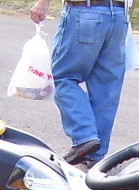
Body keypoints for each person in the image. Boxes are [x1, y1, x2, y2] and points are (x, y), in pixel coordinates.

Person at [30, 0, 131, 168]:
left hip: (85, 11)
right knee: (106, 88)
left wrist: (43, 2)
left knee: (63, 77)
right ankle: (96, 155)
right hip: (119, 14)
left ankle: (85, 136)